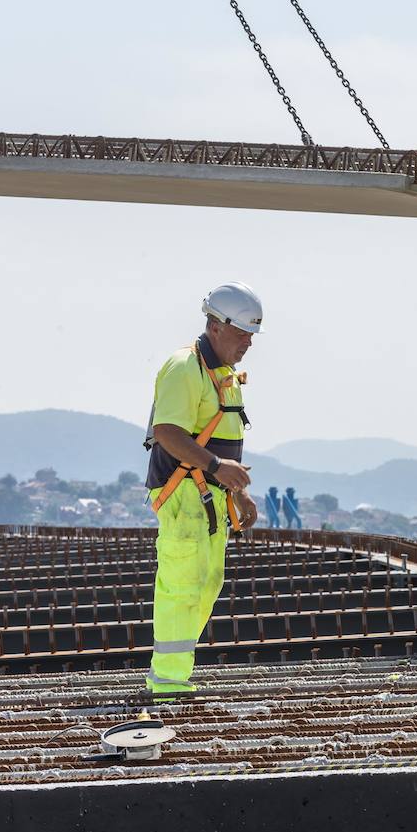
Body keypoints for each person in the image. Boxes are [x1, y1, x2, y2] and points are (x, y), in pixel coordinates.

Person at [142, 282, 263, 694]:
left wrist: (237, 491)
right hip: (183, 492)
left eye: (252, 334)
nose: (248, 342)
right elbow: (167, 432)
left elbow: (222, 438)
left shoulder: (224, 375)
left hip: (209, 495)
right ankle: (168, 682)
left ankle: (174, 673)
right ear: (216, 326)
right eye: (243, 332)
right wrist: (215, 467)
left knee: (208, 581)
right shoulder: (185, 367)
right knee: (182, 584)